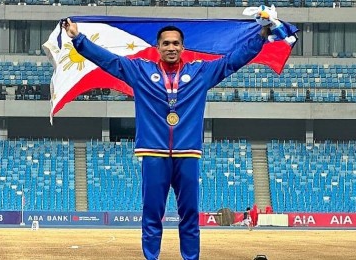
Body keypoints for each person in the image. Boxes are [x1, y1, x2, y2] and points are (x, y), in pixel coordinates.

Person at [62, 19, 270, 260]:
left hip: (188, 154)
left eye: (176, 43)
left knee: (190, 215)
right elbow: (109, 60)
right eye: (166, 43)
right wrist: (78, 38)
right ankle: (151, 257)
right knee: (151, 214)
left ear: (183, 47)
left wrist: (261, 36)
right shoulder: (140, 72)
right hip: (153, 154)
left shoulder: (201, 73)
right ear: (157, 47)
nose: (171, 47)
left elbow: (233, 61)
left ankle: (190, 258)